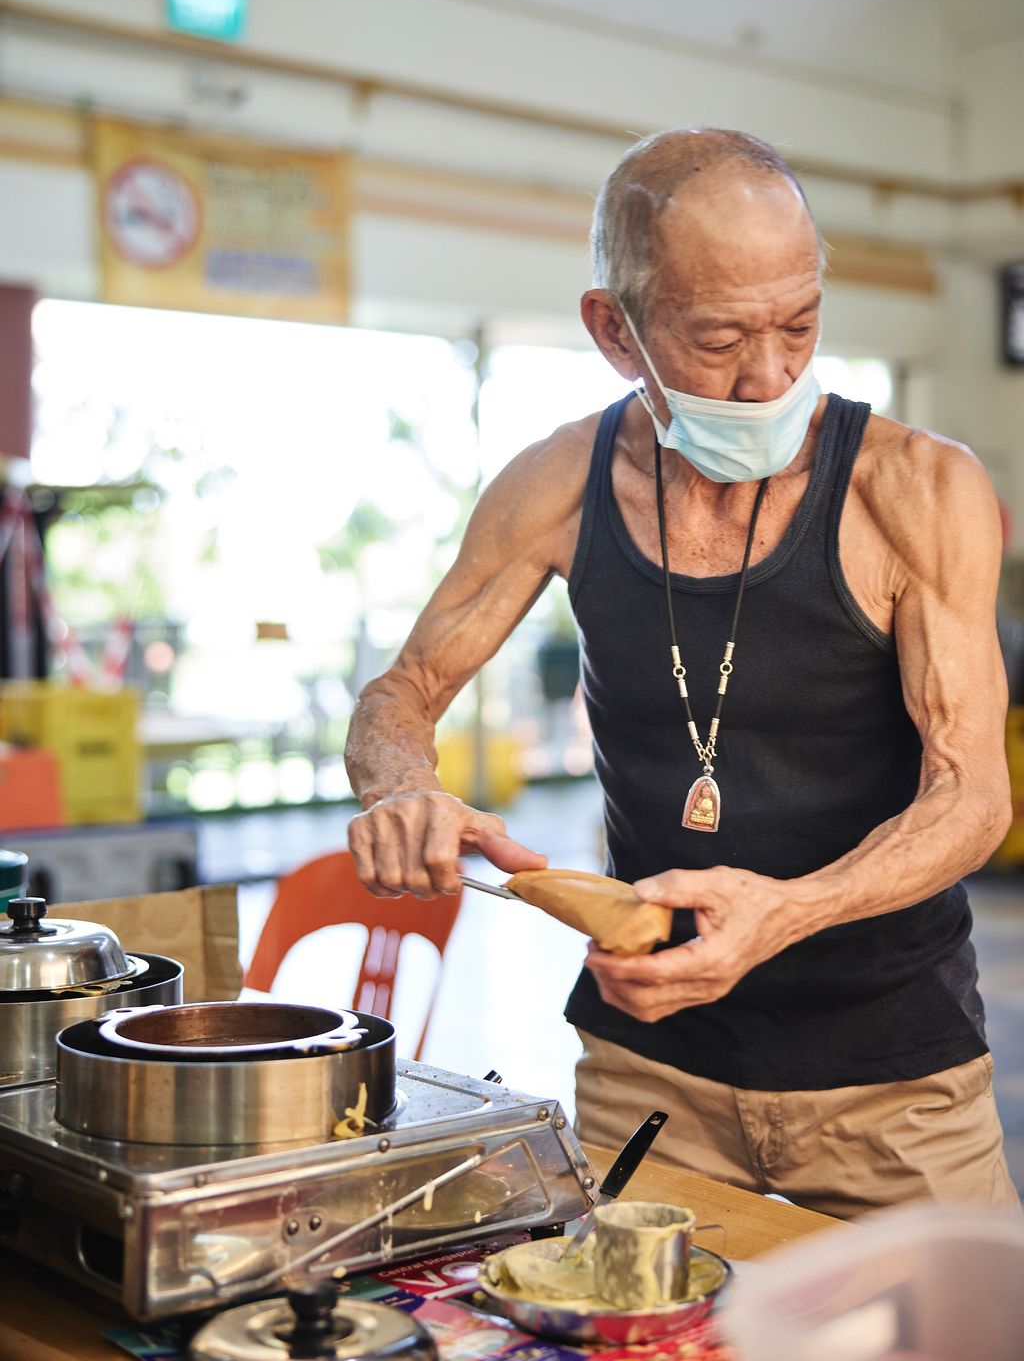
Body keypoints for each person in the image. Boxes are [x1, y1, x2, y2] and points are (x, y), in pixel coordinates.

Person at [344, 127, 1019, 1218]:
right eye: (717, 339)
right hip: (647, 1074)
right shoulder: (557, 481)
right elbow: (400, 691)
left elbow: (972, 793)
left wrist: (786, 912)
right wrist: (399, 788)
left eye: (798, 325)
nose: (768, 375)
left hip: (894, 1086)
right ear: (614, 328)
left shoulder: (915, 488)